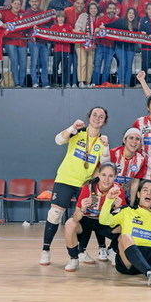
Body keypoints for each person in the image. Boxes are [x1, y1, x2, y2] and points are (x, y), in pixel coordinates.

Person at [39, 107, 109, 266]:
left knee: (86, 218)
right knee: (55, 214)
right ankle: (45, 250)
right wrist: (71, 128)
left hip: (84, 185)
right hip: (65, 179)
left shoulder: (102, 141)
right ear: (89, 117)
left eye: (101, 116)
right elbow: (58, 140)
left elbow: (104, 166)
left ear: (104, 121)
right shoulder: (77, 132)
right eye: (95, 115)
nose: (97, 118)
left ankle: (81, 252)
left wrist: (105, 147)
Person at [63, 163, 127, 271]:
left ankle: (112, 250)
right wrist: (83, 208)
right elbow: (76, 218)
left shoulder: (118, 190)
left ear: (116, 176)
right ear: (98, 174)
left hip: (104, 223)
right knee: (69, 224)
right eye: (103, 175)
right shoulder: (87, 188)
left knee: (127, 226)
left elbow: (125, 218)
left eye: (110, 176)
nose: (106, 179)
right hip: (87, 221)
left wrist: (119, 207)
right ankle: (74, 258)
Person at [102, 127, 147, 204]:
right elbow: (101, 175)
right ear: (124, 140)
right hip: (106, 193)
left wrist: (131, 204)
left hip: (124, 196)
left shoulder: (141, 160)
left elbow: (135, 183)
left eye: (137, 139)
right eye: (131, 138)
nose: (134, 141)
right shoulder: (113, 154)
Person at [0, 0, 27, 87]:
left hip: (22, 41)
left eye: (19, 4)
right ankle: (16, 83)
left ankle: (21, 83)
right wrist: (1, 24)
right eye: (15, 3)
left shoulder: (24, 13)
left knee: (23, 63)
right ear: (11, 4)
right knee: (14, 62)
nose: (17, 5)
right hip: (9, 41)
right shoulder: (5, 12)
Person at [104, 7, 138, 86]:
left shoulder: (136, 25)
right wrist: (103, 26)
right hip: (120, 47)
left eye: (133, 13)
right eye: (130, 13)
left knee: (129, 66)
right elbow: (110, 26)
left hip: (131, 48)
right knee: (123, 64)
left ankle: (127, 84)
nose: (131, 15)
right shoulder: (121, 22)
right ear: (127, 14)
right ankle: (121, 83)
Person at [25, 0, 50, 88]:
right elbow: (25, 29)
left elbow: (46, 26)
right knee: (34, 62)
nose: (34, 3)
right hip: (33, 42)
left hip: (43, 41)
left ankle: (45, 82)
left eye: (36, 1)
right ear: (29, 2)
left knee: (45, 62)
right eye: (32, 1)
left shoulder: (42, 13)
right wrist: (31, 32)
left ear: (38, 2)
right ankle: (34, 82)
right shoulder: (26, 14)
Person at [91, 2, 118, 86]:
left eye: (113, 8)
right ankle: (95, 83)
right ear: (107, 10)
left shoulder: (118, 20)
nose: (111, 10)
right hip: (101, 45)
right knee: (97, 65)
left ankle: (103, 84)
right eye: (110, 8)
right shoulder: (101, 19)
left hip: (111, 46)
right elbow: (95, 31)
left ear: (115, 10)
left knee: (107, 66)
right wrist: (99, 28)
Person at [74, 2, 99, 88]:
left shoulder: (98, 18)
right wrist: (84, 35)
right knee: (82, 62)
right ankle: (81, 81)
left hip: (92, 44)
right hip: (81, 43)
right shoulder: (83, 16)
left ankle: (88, 82)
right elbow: (77, 28)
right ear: (88, 9)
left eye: (95, 8)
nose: (93, 10)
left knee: (90, 63)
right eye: (91, 8)